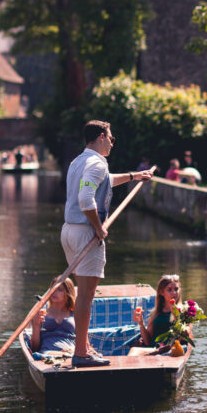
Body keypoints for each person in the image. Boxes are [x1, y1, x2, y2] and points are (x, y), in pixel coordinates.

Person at [62, 120, 154, 367]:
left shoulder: (79, 161)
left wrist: (135, 176)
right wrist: (98, 227)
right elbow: (86, 199)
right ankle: (81, 353)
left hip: (69, 231)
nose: (112, 143)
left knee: (84, 294)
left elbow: (106, 180)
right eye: (111, 138)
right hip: (85, 232)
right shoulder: (96, 163)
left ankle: (84, 346)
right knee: (86, 296)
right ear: (101, 137)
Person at [132, 274, 193, 347]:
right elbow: (147, 341)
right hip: (152, 349)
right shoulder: (155, 313)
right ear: (161, 292)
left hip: (170, 351)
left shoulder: (186, 311)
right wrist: (141, 323)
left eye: (176, 289)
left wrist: (177, 316)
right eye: (169, 289)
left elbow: (184, 336)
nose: (174, 293)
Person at [29, 277, 76, 357]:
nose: (54, 292)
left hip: (71, 352)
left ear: (68, 293)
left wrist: (74, 350)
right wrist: (36, 325)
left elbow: (84, 342)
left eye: (59, 290)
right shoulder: (41, 313)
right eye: (53, 288)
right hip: (48, 353)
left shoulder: (76, 313)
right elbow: (35, 348)